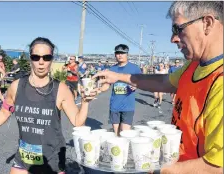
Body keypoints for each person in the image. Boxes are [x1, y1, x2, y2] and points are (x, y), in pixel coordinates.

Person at [93, 1, 223, 173]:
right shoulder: (193, 66)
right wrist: (117, 76)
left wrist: (161, 169)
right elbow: (163, 82)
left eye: (178, 29)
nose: (173, 39)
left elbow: (218, 166)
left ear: (207, 23)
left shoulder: (219, 81)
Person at [0, 37, 98, 174]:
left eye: (46, 57)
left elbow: (77, 122)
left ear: (51, 59)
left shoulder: (61, 90)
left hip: (51, 159)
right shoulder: (16, 86)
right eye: (36, 57)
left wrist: (85, 102)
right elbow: (5, 112)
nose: (41, 62)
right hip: (24, 157)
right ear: (31, 59)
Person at [98, 44, 142, 136]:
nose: (120, 55)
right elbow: (106, 86)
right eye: (118, 53)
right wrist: (97, 90)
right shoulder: (112, 69)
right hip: (115, 105)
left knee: (124, 134)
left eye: (122, 53)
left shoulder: (134, 68)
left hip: (128, 106)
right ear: (115, 55)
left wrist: (136, 85)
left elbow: (141, 82)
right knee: (116, 134)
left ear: (127, 54)